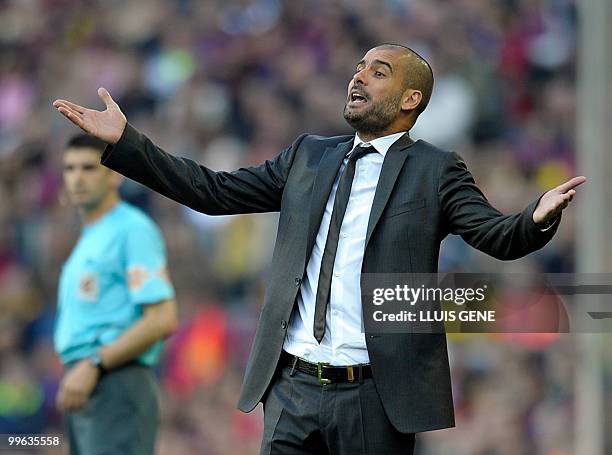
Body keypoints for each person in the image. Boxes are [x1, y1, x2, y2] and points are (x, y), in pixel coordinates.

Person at [53, 44, 585, 455]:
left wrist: (535, 219)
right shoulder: (308, 155)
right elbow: (212, 192)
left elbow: (494, 234)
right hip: (292, 389)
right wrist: (127, 142)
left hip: (375, 398)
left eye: (378, 72)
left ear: (410, 100)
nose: (358, 76)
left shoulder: (435, 170)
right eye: (358, 68)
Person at [54, 134, 178, 455]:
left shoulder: (131, 230)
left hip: (115, 381)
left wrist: (95, 364)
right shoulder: (89, 239)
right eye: (69, 169)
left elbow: (162, 318)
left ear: (114, 175)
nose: (77, 178)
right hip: (87, 383)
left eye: (88, 168)